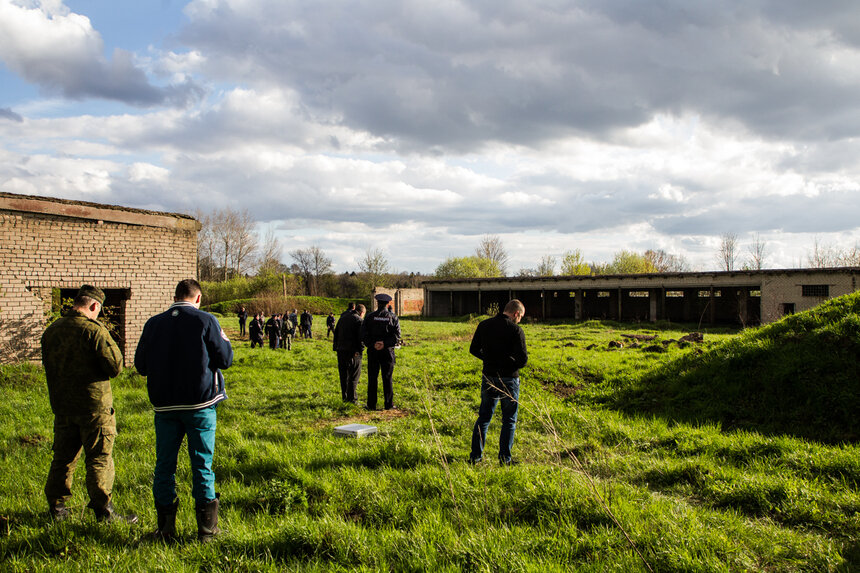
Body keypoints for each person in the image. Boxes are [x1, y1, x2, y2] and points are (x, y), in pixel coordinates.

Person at [134, 279, 234, 542]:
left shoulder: (153, 323)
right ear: (198, 298)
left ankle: (166, 529)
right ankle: (206, 531)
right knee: (202, 464)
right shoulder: (206, 320)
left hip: (164, 406)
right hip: (199, 405)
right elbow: (225, 359)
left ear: (175, 296)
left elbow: (140, 365)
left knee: (164, 466)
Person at [41, 285, 138, 523]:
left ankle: (57, 508)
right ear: (94, 306)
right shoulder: (93, 330)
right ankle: (103, 510)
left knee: (63, 458)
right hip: (94, 407)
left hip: (63, 406)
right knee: (99, 457)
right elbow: (115, 367)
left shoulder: (51, 331)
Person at [468, 299, 528, 466]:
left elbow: (473, 349)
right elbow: (523, 360)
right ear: (516, 313)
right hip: (509, 378)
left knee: (484, 417)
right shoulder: (516, 330)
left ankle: (475, 457)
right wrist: (509, 364)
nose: (520, 319)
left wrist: (488, 359)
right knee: (509, 419)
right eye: (521, 316)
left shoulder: (484, 325)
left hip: (488, 375)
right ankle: (504, 459)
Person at [361, 294, 401, 410]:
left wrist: (373, 343)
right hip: (387, 352)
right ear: (387, 304)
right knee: (387, 377)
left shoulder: (369, 317)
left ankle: (371, 404)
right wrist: (384, 344)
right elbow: (397, 336)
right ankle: (388, 404)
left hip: (373, 351)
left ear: (377, 303)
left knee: (372, 377)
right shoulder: (392, 317)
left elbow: (363, 334)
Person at [333, 303, 366, 402]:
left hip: (341, 350)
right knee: (354, 375)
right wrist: (361, 349)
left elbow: (336, 333)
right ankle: (352, 399)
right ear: (361, 313)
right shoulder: (359, 321)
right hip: (353, 352)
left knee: (343, 375)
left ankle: (345, 396)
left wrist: (336, 347)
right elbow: (361, 338)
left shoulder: (342, 318)